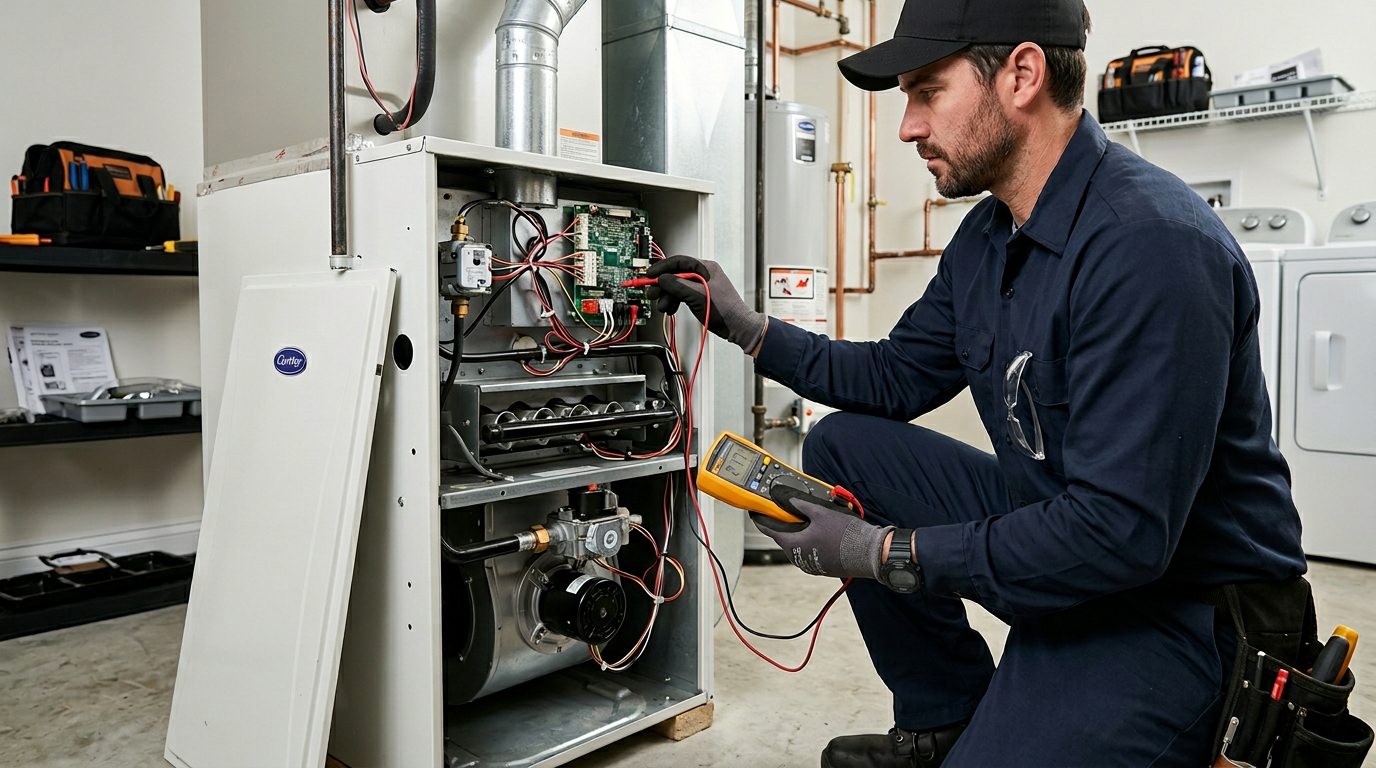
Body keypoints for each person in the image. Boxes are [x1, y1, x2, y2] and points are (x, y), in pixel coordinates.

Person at [646, 0, 1308, 765]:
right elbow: (895, 377)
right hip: (1073, 530)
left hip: (1183, 605)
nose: (908, 127)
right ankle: (946, 716)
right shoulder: (990, 236)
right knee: (847, 446)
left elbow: (1122, 535)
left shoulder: (1149, 245)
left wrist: (886, 551)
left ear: (1023, 74)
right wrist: (747, 327)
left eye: (928, 91)